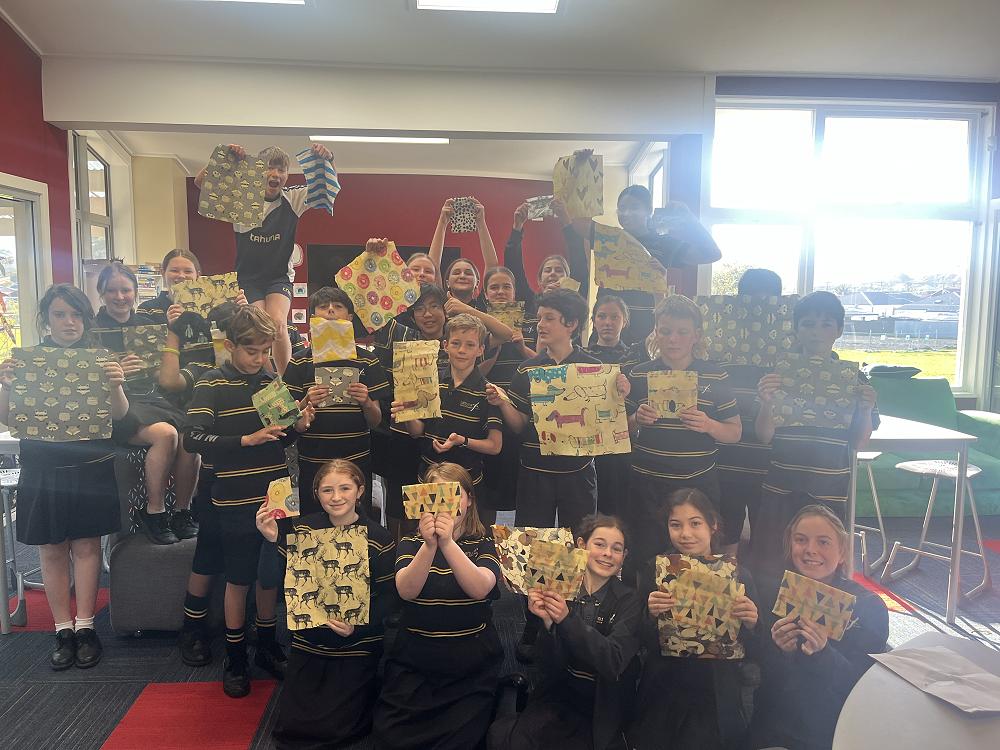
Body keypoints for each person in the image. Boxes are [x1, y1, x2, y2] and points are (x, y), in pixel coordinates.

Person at [183, 306, 316, 698]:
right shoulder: (212, 382)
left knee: (270, 574)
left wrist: (300, 424)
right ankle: (236, 655)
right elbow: (193, 438)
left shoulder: (269, 380)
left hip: (276, 492)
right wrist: (246, 440)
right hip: (234, 497)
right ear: (230, 346)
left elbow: (285, 437)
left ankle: (268, 645)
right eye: (252, 351)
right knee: (238, 578)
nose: (260, 359)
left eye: (265, 351)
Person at [0, 284, 128, 670]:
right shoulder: (27, 362)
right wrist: (5, 386)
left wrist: (116, 385)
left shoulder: (100, 360)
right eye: (60, 314)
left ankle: (86, 626)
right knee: (52, 548)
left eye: (76, 315)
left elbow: (119, 415)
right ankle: (62, 629)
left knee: (87, 546)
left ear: (86, 319)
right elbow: (8, 417)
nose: (69, 322)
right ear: (46, 319)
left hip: (89, 464)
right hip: (43, 465)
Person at [255, 459, 397, 749]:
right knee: (293, 728)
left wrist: (358, 627)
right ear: (316, 493)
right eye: (327, 490)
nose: (336, 497)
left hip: (358, 642)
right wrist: (270, 541)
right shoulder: (302, 530)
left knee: (340, 728)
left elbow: (391, 599)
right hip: (309, 642)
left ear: (360, 491)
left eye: (345, 488)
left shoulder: (379, 538)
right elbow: (269, 581)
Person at [373, 462, 504, 750]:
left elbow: (480, 588)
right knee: (390, 737)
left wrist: (448, 544)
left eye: (453, 496)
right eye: (435, 497)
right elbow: (406, 591)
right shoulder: (410, 542)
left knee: (460, 740)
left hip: (469, 657)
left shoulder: (484, 542)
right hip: (416, 656)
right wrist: (429, 545)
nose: (444, 507)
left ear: (469, 501)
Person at [752, 291, 879, 579]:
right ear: (796, 330)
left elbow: (859, 442)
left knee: (823, 567)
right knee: (772, 563)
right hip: (782, 488)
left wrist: (866, 409)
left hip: (829, 490)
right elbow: (763, 435)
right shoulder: (778, 375)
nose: (816, 332)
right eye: (808, 324)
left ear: (839, 330)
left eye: (826, 324)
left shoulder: (854, 380)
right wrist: (767, 402)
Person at [488, 514, 641, 750]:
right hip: (558, 694)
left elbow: (613, 661)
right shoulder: (559, 590)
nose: (607, 553)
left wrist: (566, 620)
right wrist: (548, 624)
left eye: (616, 549)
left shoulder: (630, 600)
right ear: (581, 545)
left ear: (624, 556)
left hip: (601, 704)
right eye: (599, 544)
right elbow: (545, 665)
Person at [628, 488, 759, 750]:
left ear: (713, 525)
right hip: (665, 682)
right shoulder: (655, 570)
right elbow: (639, 641)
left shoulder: (738, 575)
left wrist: (752, 622)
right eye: (675, 525)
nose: (685, 534)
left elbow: (756, 651)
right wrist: (650, 615)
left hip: (716, 686)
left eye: (695, 523)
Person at [750, 505, 889, 750]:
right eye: (801, 540)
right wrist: (779, 650)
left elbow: (862, 684)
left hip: (832, 727)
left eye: (823, 542)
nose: (810, 550)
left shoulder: (868, 606)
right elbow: (762, 674)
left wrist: (823, 653)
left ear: (842, 552)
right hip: (775, 721)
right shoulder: (776, 592)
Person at [194, 143, 337, 373]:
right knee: (260, 328)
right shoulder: (242, 198)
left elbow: (326, 188)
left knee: (278, 324)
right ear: (257, 170)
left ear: (287, 175)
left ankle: (287, 379)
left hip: (278, 277)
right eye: (269, 168)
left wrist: (328, 159)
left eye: (281, 170)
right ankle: (268, 377)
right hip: (249, 279)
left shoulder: (292, 198)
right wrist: (226, 158)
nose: (275, 174)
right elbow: (201, 183)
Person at [626, 295, 741, 571]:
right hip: (647, 483)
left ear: (696, 335)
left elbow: (735, 432)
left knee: (697, 560)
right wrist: (636, 418)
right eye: (665, 331)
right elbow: (619, 431)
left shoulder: (716, 376)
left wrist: (709, 425)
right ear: (656, 332)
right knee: (646, 556)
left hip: (698, 484)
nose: (673, 339)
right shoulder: (638, 374)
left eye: (682, 332)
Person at [95, 261, 200, 545]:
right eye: (112, 290)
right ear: (101, 293)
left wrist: (152, 367)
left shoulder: (148, 326)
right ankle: (154, 512)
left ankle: (182, 511)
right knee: (166, 435)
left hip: (151, 398)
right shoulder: (92, 329)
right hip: (116, 405)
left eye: (126, 290)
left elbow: (162, 373)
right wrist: (116, 371)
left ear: (135, 292)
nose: (120, 297)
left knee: (190, 438)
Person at [284, 286, 388, 516]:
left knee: (357, 524)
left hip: (356, 462)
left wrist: (366, 402)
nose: (330, 310)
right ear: (312, 317)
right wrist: (305, 402)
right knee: (314, 523)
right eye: (323, 307)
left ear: (349, 318)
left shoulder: (367, 360)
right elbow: (286, 420)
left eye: (338, 306)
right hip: (313, 462)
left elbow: (375, 421)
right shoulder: (299, 362)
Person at [392, 314, 503, 524]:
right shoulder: (428, 382)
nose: (462, 350)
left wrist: (463, 441)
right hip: (428, 478)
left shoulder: (488, 392)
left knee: (465, 537)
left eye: (470, 345)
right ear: (445, 346)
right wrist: (405, 415)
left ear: (480, 350)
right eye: (456, 343)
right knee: (426, 534)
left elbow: (495, 446)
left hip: (467, 486)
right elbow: (417, 432)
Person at [715, 268, 784, 555]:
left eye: (766, 301)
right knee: (725, 540)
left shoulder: (786, 358)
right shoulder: (721, 351)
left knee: (767, 542)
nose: (758, 310)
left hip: (769, 465)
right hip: (726, 461)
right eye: (750, 300)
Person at [598, 185, 722, 344]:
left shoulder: (663, 244)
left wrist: (690, 220)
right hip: (606, 335)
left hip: (646, 335)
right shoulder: (608, 240)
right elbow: (579, 226)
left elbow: (711, 253)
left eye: (634, 207)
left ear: (649, 210)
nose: (626, 213)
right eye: (622, 208)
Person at [479, 266, 537, 519]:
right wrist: (494, 346)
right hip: (489, 411)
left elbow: (545, 364)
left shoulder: (533, 323)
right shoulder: (478, 325)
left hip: (526, 412)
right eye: (494, 287)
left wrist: (522, 347)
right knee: (489, 487)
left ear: (515, 291)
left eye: (506, 286)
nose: (500, 292)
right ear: (485, 294)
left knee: (525, 488)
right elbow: (469, 371)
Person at [584, 295, 648, 516]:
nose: (608, 322)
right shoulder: (582, 357)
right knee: (586, 506)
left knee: (618, 505)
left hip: (624, 440)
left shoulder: (635, 358)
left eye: (614, 317)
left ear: (625, 321)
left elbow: (641, 399)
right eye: (602, 316)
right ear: (593, 321)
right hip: (588, 440)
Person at [504, 198, 586, 317]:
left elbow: (579, 261)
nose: (553, 273)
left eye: (559, 270)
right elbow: (513, 268)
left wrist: (566, 221)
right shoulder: (529, 301)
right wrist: (517, 227)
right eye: (547, 270)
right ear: (540, 280)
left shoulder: (575, 300)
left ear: (568, 278)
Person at [428, 197, 499, 311]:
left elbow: (492, 267)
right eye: (456, 272)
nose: (462, 276)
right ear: (447, 283)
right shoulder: (440, 305)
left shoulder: (483, 305)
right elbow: (432, 267)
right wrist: (442, 222)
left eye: (468, 273)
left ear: (477, 283)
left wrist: (481, 223)